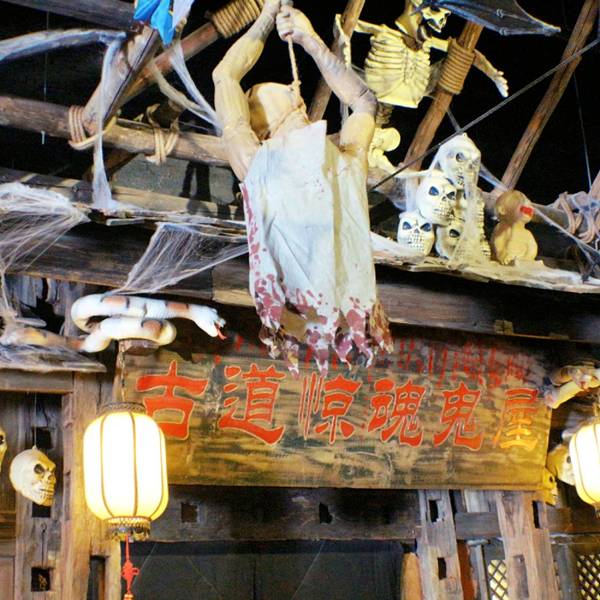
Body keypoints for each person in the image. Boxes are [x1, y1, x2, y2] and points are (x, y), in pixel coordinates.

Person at [213, 0, 392, 374]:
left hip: (338, 295)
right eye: (275, 96)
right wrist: (265, 18)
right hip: (307, 297)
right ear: (258, 124)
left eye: (294, 96)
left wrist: (310, 40)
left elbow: (364, 103)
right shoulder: (257, 164)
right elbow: (225, 76)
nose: (293, 95)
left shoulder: (341, 162)